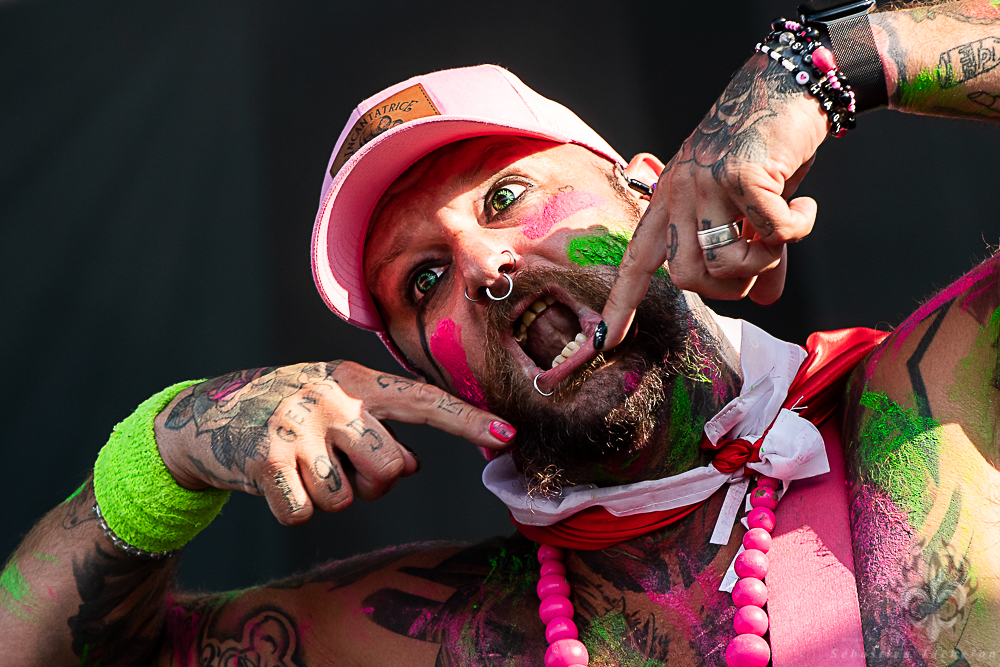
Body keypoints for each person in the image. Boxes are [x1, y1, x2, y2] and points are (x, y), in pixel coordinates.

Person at [3, 1, 999, 665]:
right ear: (421, 375)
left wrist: (823, 66)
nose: (483, 265)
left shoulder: (940, 404)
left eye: (507, 196)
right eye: (423, 279)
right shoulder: (439, 630)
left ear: (647, 187)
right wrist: (165, 448)